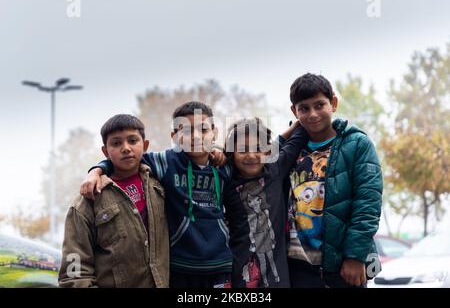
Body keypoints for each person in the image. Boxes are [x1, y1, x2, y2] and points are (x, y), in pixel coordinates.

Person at [83, 102, 233, 288]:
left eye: (203, 129)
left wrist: (220, 150)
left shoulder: (225, 166)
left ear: (215, 132)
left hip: (221, 263)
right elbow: (127, 158)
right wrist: (96, 171)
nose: (194, 136)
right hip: (179, 265)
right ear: (174, 137)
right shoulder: (165, 161)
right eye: (185, 131)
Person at [286, 73, 383, 288]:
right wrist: (288, 134)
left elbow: (368, 203)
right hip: (298, 266)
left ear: (334, 103)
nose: (312, 114)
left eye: (319, 105)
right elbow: (261, 167)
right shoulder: (290, 151)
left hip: (342, 265)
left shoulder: (357, 144)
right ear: (294, 111)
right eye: (304, 108)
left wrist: (355, 256)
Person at [59, 114, 169, 288]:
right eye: (116, 143)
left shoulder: (161, 184)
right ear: (105, 151)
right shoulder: (89, 199)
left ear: (145, 145)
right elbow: (75, 274)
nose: (126, 148)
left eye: (133, 141)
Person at [223, 117, 308, 288]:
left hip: (278, 278)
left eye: (258, 148)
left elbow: (299, 135)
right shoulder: (225, 179)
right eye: (242, 150)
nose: (251, 155)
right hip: (240, 273)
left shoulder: (275, 169)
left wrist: (301, 120)